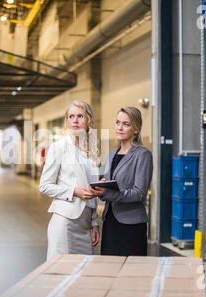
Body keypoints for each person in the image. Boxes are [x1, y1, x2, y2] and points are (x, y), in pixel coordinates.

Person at [39, 100, 101, 260]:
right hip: (65, 222)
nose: (75, 120)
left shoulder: (92, 151)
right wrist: (74, 191)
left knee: (83, 273)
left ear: (89, 121)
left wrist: (94, 223)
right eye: (71, 116)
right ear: (67, 121)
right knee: (61, 272)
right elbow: (45, 186)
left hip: (85, 223)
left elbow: (91, 191)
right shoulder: (58, 147)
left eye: (80, 116)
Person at [89, 106, 153, 256]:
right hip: (110, 221)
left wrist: (108, 193)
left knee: (131, 271)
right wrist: (101, 186)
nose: (120, 127)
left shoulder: (143, 154)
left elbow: (139, 193)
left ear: (136, 129)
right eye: (118, 123)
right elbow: (111, 184)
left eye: (126, 124)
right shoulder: (112, 154)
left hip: (131, 224)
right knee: (109, 267)